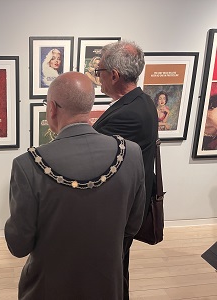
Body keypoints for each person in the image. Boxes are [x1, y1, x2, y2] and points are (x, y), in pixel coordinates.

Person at [5, 71, 146, 300]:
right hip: (107, 287)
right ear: (88, 106)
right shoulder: (130, 153)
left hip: (48, 290)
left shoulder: (28, 165)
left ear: (51, 108)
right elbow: (132, 226)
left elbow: (18, 245)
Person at [92, 40, 159, 300]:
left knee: (110, 270)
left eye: (99, 72)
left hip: (119, 212)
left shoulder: (129, 113)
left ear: (115, 75)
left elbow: (96, 157)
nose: (98, 79)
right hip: (126, 207)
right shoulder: (141, 102)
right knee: (117, 267)